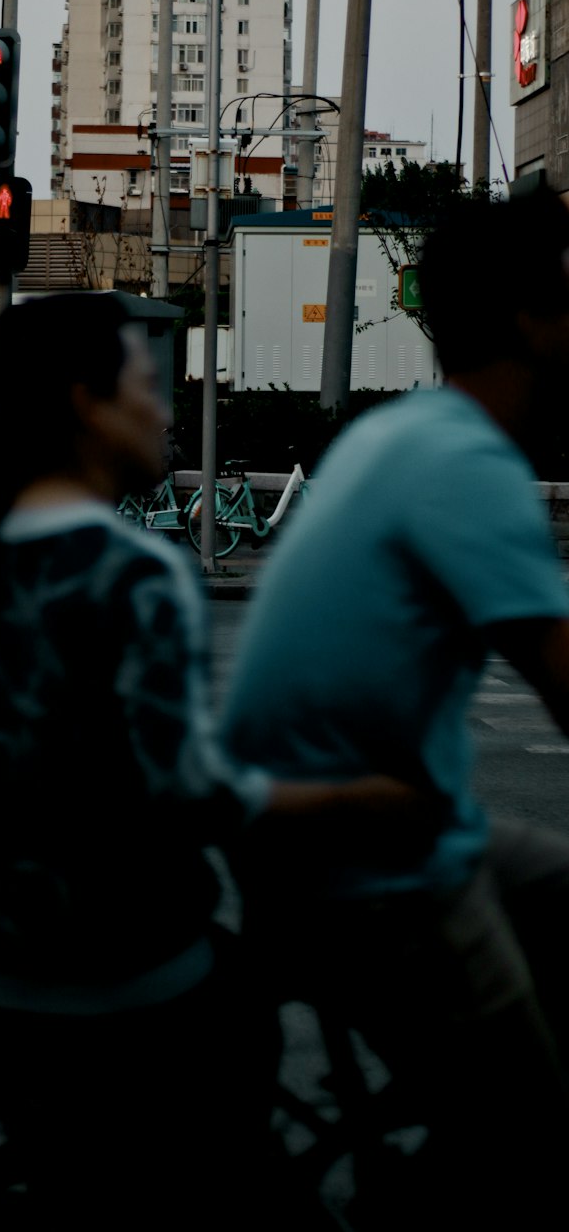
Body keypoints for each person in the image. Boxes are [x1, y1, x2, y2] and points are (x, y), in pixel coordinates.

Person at [0, 292, 434, 1224]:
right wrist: (360, 801)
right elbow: (182, 793)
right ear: (84, 402)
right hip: (101, 973)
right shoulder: (134, 569)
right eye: (148, 387)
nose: (166, 409)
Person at [221, 188, 569, 1220]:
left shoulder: (403, 434)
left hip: (328, 824)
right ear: (527, 316)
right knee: (530, 1142)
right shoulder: (467, 467)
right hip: (369, 862)